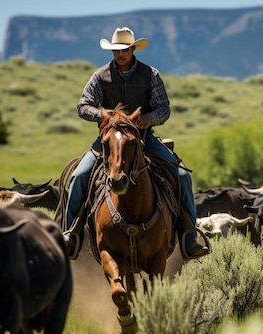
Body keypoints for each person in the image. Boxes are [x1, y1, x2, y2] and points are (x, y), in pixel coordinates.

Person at [63, 27, 210, 261]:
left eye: (124, 50)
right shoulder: (100, 76)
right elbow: (83, 106)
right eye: (116, 50)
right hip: (109, 140)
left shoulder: (151, 74)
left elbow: (164, 108)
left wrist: (150, 118)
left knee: (182, 175)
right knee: (79, 176)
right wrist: (103, 115)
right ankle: (70, 233)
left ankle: (189, 236)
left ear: (133, 49)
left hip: (143, 138)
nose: (119, 54)